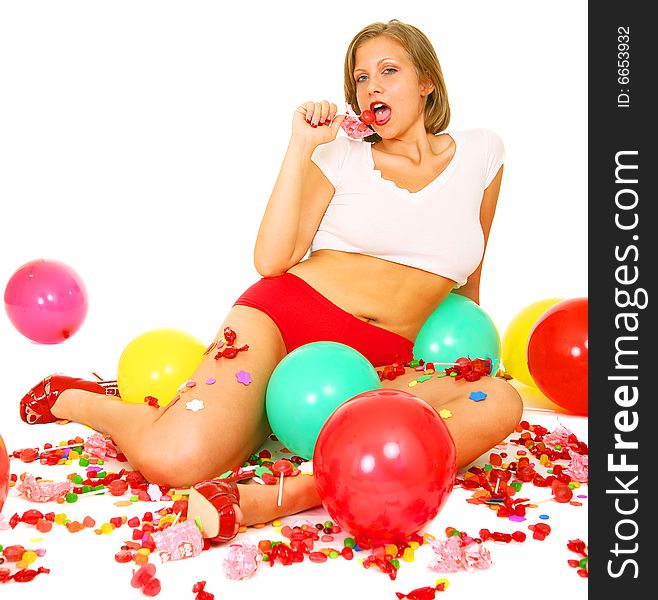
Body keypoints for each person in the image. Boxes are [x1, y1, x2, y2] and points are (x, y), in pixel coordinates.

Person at [19, 19, 522, 542]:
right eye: (360, 77)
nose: (371, 86)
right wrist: (302, 145)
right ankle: (82, 401)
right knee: (179, 459)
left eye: (389, 71)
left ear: (427, 82)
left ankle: (294, 492)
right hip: (283, 320)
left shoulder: (482, 154)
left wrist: (469, 354)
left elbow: (469, 279)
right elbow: (271, 259)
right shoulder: (342, 153)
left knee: (499, 401)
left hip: (376, 362)